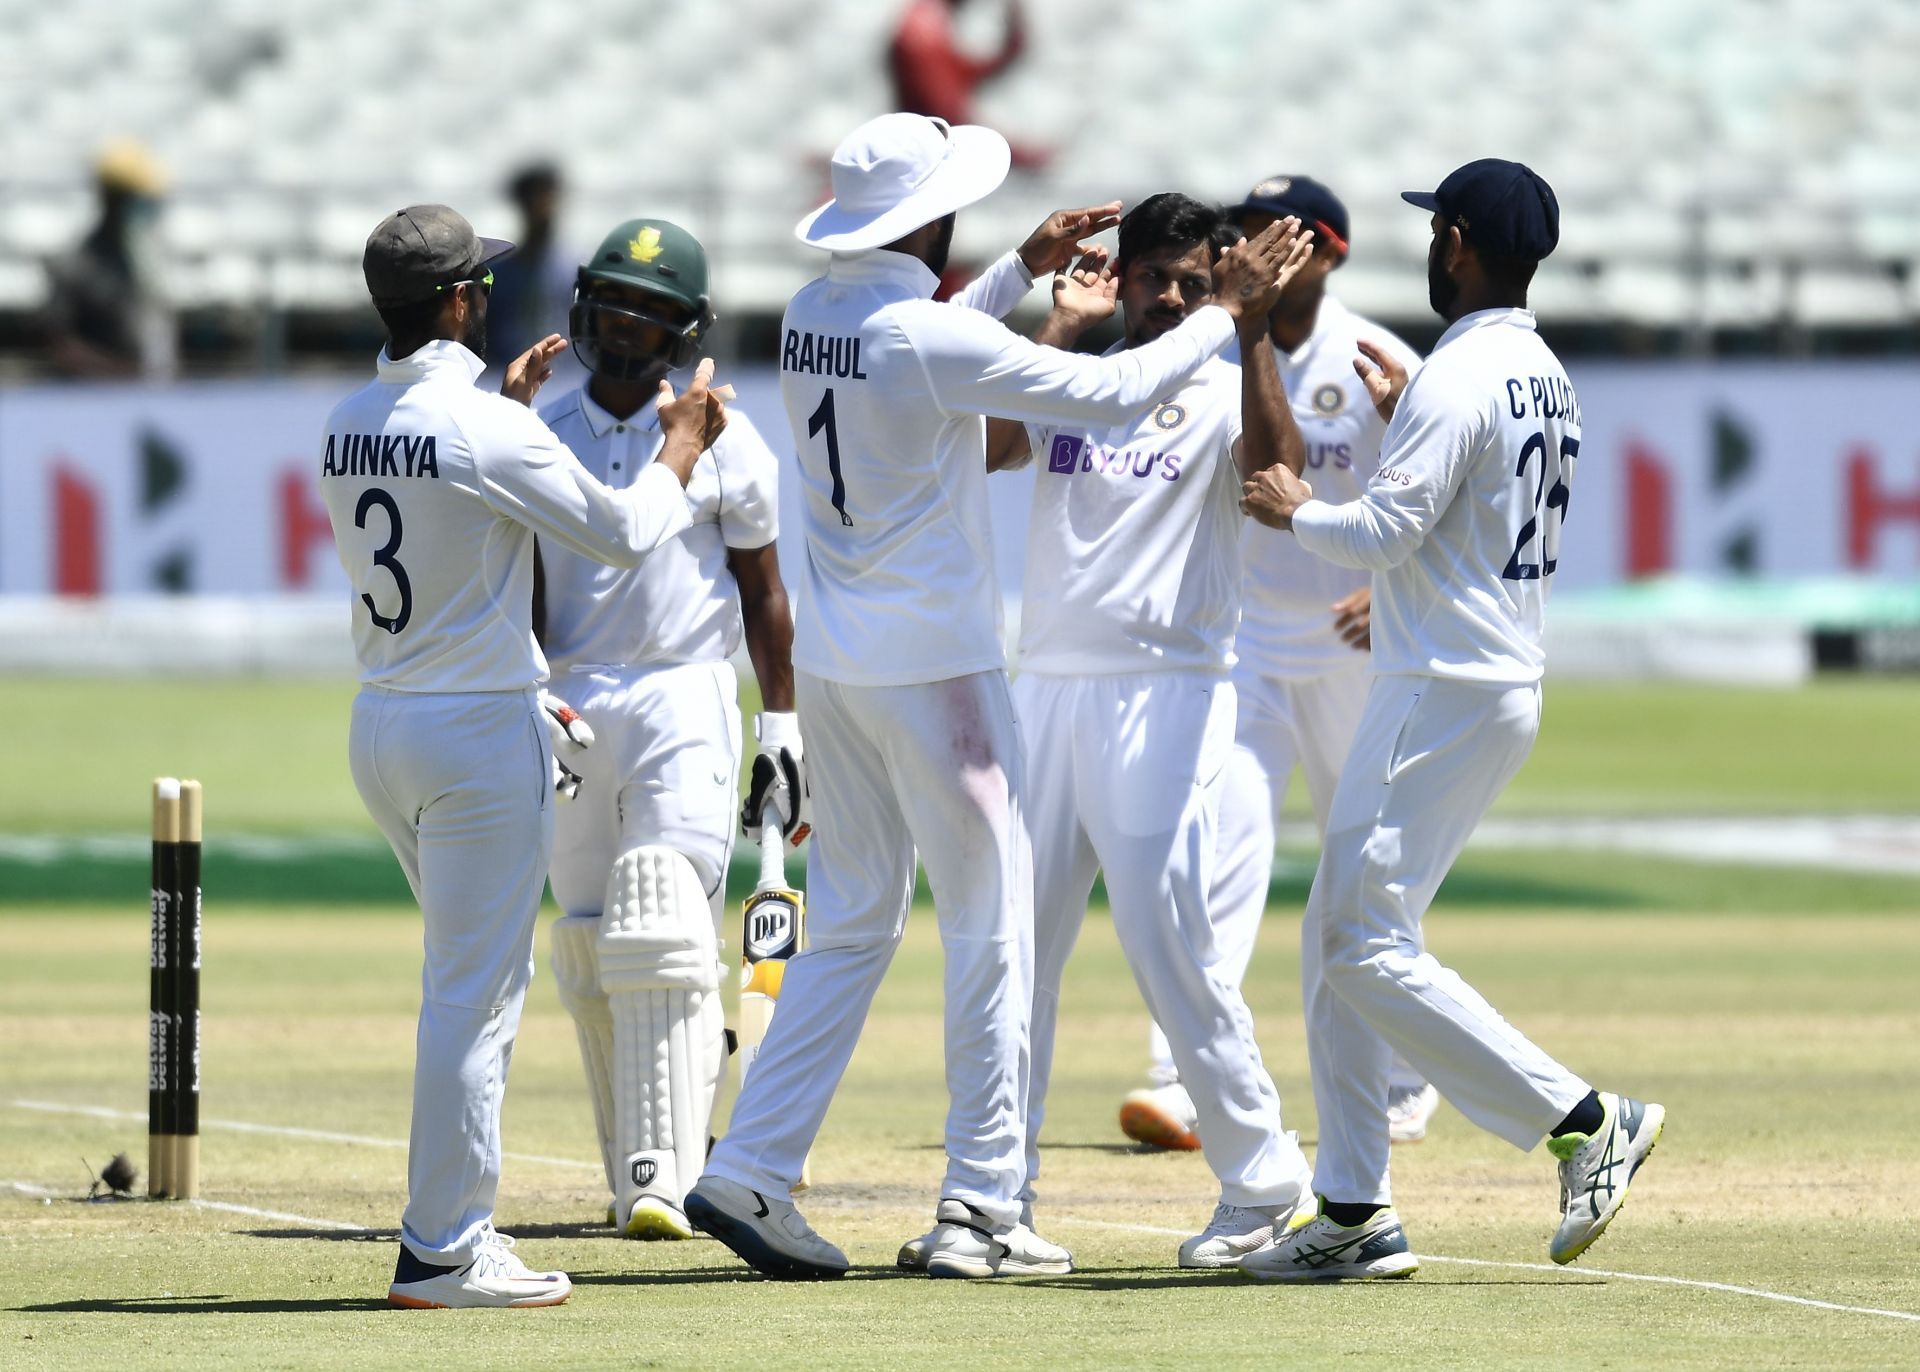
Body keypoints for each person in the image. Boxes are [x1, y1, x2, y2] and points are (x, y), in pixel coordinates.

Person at [686, 112, 1301, 1280]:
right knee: (992, 929)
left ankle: (750, 1166)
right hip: (939, 675)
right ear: (925, 218)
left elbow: (928, 349)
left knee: (858, 922)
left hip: (837, 665)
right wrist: (1224, 314)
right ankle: (982, 1207)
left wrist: (1021, 271)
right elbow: (1105, 400)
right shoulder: (918, 332)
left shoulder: (820, 314)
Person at [1235, 160, 1665, 1281]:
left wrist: (1293, 508)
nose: (1430, 247)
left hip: (1437, 686)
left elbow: (1379, 533)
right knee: (1343, 939)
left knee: (1359, 944)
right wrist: (1406, 424)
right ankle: (1352, 1208)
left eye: (1439, 231)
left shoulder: (1458, 374)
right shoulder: (1541, 372)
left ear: (1460, 242)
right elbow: (1458, 510)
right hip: (1492, 678)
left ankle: (1581, 1117)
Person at [320, 203, 726, 1308]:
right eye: (479, 287)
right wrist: (680, 449)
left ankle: (452, 1235)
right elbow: (627, 530)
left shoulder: (350, 416)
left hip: (385, 724)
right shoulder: (484, 427)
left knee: (465, 979)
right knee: (474, 994)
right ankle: (446, 1247)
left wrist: (507, 417)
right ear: (462, 302)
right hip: (473, 731)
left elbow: (448, 509)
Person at [956, 191, 1320, 1271]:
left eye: (1190, 283)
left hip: (1170, 688)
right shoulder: (1074, 374)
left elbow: (1279, 476)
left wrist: (1249, 330)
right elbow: (983, 447)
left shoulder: (1220, 382)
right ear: (1120, 274)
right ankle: (992, 1199)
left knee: (1166, 937)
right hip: (1051, 688)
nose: (1166, 298)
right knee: (1016, 945)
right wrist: (1059, 325)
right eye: (1151, 277)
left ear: (1219, 285)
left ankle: (1264, 1183)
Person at [1120, 175, 1437, 1155]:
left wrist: (1392, 589)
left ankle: (1400, 1073)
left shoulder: (1380, 357)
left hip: (1353, 652)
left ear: (1329, 252)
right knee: (1221, 854)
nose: (1250, 252)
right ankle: (1179, 1077)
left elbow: (1452, 503)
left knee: (1370, 864)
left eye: (1276, 236)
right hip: (1249, 639)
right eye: (1244, 234)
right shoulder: (1206, 343)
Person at [533, 214, 799, 1243]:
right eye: (612, 301)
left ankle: (672, 1174)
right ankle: (637, 1173)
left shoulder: (728, 438)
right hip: (569, 696)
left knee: (664, 915)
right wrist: (524, 691)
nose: (627, 323)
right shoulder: (539, 434)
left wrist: (784, 724)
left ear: (684, 328)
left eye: (649, 310)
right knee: (593, 940)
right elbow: (512, 583)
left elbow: (764, 590)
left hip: (685, 690)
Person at [44, 138, 177, 379]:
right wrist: (128, 375)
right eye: (138, 199)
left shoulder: (149, 261)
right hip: (95, 406)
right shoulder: (76, 265)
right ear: (113, 201)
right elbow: (61, 348)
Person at [889, 0, 1047, 168]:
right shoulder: (922, 32)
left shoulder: (930, 23)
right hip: (929, 161)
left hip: (931, 153)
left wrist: (1012, 43)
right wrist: (1016, 154)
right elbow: (949, 114)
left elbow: (958, 76)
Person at [487, 163, 583, 391]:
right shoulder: (499, 273)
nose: (544, 208)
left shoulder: (576, 269)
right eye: (537, 199)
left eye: (549, 198)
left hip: (566, 383)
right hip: (507, 383)